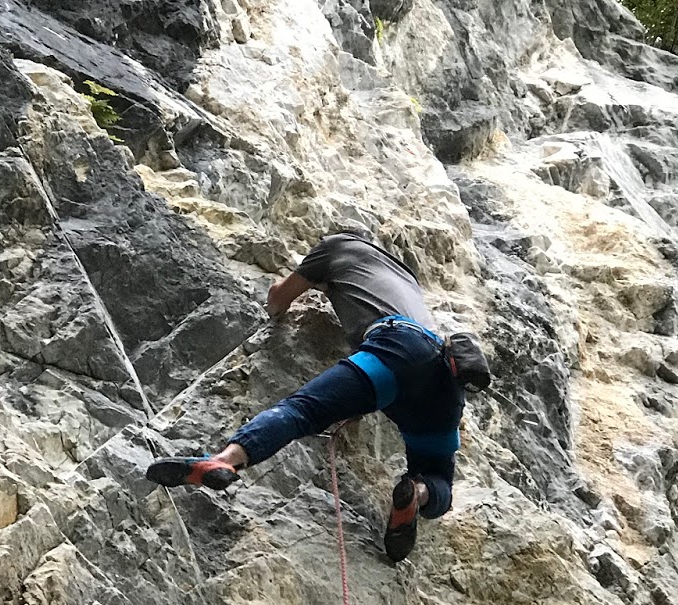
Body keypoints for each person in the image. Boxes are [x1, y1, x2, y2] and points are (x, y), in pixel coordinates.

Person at [146, 224, 486, 562]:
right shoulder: (404, 274)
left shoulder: (336, 246)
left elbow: (278, 301)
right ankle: (419, 493)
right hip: (443, 379)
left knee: (301, 412)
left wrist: (298, 287)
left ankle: (224, 461)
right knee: (439, 476)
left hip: (395, 349)